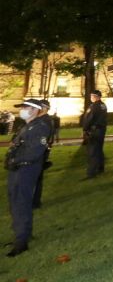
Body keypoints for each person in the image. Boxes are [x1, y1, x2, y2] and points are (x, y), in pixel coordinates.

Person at [5, 99, 51, 257]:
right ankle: (21, 233)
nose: (22, 110)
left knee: (21, 203)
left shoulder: (40, 126)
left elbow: (35, 151)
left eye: (26, 107)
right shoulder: (28, 125)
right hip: (18, 169)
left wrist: (15, 160)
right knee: (14, 201)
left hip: (25, 169)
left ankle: (21, 240)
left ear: (35, 110)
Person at [32, 100, 55, 209]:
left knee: (35, 178)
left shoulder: (45, 121)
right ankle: (33, 201)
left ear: (44, 108)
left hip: (39, 153)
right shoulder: (40, 119)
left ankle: (34, 202)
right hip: (38, 152)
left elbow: (44, 140)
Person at [82, 89, 107, 178]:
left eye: (91, 96)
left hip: (94, 131)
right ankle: (101, 168)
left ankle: (91, 172)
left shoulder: (94, 106)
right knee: (99, 149)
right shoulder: (103, 105)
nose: (90, 98)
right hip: (101, 130)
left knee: (92, 151)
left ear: (95, 97)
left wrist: (85, 129)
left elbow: (89, 118)